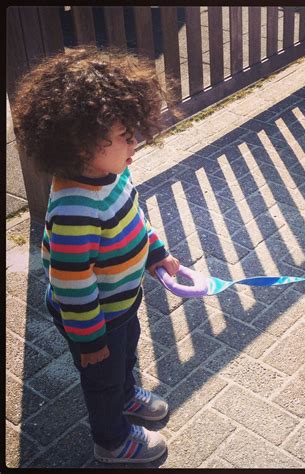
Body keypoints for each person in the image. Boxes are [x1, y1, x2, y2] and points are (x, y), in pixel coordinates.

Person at [12, 47, 180, 463]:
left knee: (126, 353)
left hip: (120, 303)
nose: (135, 143)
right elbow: (72, 284)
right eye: (125, 137)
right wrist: (90, 341)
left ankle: (124, 393)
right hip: (92, 317)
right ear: (83, 145)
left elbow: (135, 216)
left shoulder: (113, 173)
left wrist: (156, 253)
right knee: (100, 377)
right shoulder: (74, 208)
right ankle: (112, 440)